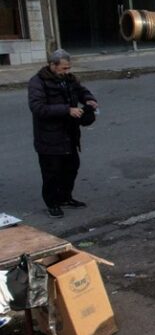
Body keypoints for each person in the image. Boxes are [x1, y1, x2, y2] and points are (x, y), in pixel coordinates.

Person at [28, 50, 98, 218]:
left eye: (69, 68)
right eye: (64, 68)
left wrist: (89, 99)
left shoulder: (69, 79)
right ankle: (52, 203)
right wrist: (67, 110)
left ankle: (65, 198)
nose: (67, 72)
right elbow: (38, 108)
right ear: (52, 65)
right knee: (51, 173)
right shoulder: (38, 82)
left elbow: (81, 90)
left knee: (71, 168)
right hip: (49, 138)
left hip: (69, 135)